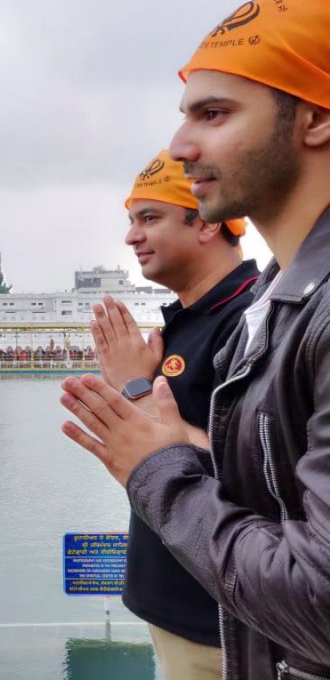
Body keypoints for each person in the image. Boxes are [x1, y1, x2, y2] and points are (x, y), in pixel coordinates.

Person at [60, 0, 330, 679]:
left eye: (213, 113)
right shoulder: (281, 304)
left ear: (315, 118)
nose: (181, 144)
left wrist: (157, 458)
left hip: (226, 622)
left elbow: (318, 597)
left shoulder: (278, 312)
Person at [92, 150, 257, 679]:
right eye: (131, 220)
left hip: (221, 622)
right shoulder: (189, 322)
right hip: (178, 609)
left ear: (206, 220)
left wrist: (135, 391)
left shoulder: (251, 322)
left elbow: (261, 470)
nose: (131, 237)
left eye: (150, 218)